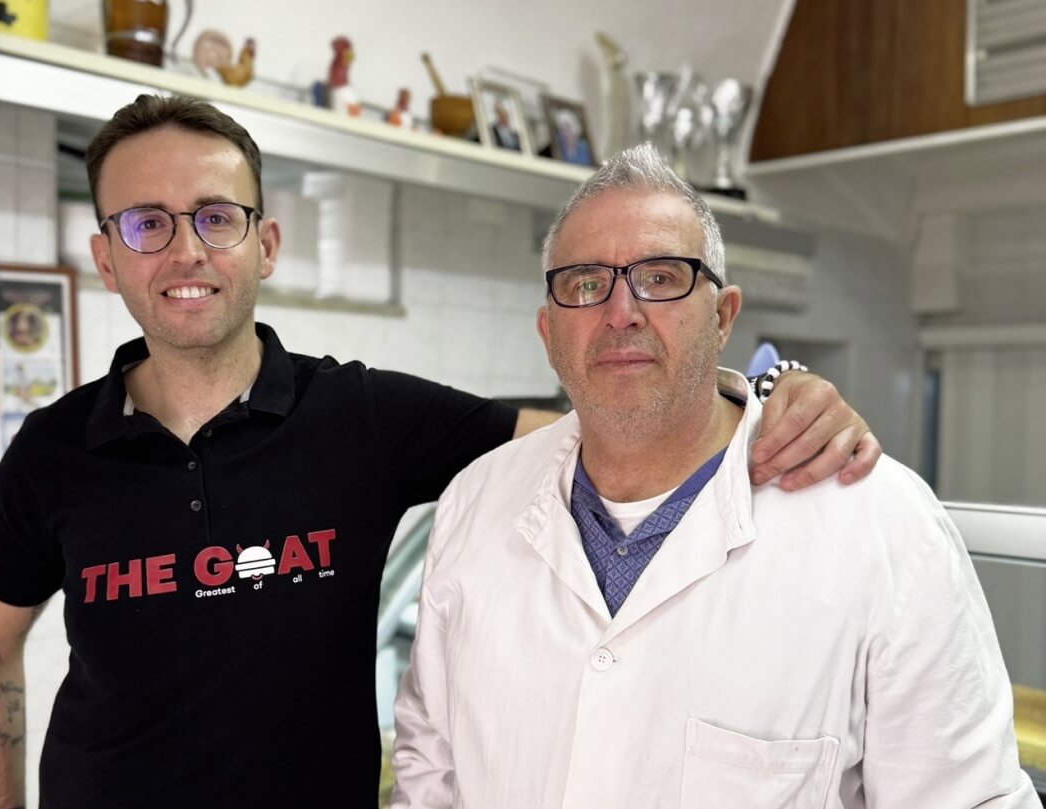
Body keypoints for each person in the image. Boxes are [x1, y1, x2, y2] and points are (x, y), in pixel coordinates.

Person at [0, 95, 880, 809]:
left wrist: (764, 392)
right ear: (107, 257)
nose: (185, 250)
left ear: (266, 244)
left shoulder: (359, 415)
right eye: (146, 223)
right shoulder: (53, 449)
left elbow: (600, 427)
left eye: (216, 217)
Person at [391, 145, 1037, 808]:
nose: (621, 311)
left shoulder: (885, 527)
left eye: (660, 276)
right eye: (585, 283)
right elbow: (429, 775)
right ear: (547, 332)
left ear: (723, 316)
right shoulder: (475, 502)